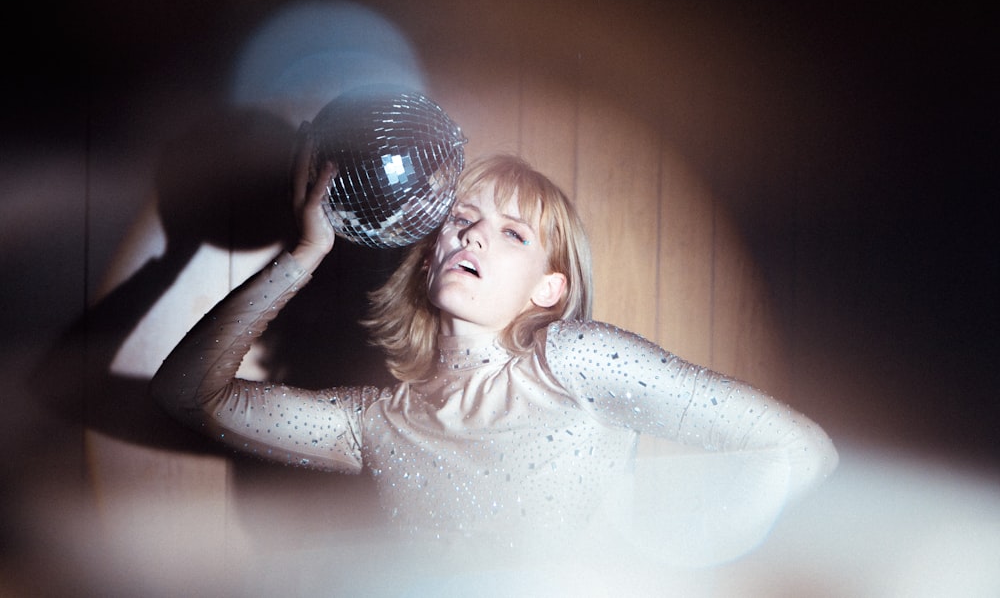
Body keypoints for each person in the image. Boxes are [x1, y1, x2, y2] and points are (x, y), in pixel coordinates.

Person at [150, 133, 838, 565]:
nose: (474, 236)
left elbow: (802, 450)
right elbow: (185, 394)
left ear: (549, 287)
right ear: (430, 258)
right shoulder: (373, 422)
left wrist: (656, 555)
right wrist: (303, 256)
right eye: (462, 221)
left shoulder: (575, 361)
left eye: (512, 233)